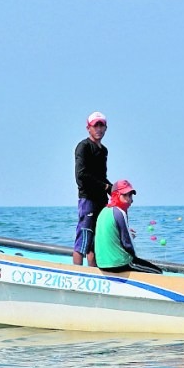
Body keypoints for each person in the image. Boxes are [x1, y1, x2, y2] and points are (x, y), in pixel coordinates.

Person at [94, 180, 163, 274]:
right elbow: (127, 244)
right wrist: (136, 259)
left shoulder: (104, 211)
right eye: (127, 195)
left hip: (102, 264)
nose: (131, 200)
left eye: (131, 195)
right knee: (158, 272)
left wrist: (126, 232)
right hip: (119, 263)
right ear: (117, 195)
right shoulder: (119, 212)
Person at [73, 111, 112, 266]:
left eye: (101, 126)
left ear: (106, 128)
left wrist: (113, 189)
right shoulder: (83, 147)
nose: (99, 129)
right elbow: (81, 176)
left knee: (95, 243)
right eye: (95, 126)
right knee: (83, 240)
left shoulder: (103, 151)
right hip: (88, 199)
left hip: (101, 201)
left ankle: (95, 275)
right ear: (88, 128)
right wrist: (105, 186)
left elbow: (102, 176)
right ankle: (76, 274)